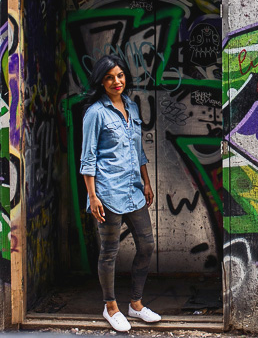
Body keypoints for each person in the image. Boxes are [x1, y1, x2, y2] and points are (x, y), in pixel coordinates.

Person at [79, 55, 162, 331]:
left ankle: (135, 305)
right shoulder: (95, 113)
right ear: (101, 82)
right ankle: (111, 307)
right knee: (110, 252)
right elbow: (88, 158)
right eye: (110, 77)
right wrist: (92, 196)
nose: (117, 82)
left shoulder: (131, 107)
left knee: (147, 245)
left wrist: (146, 182)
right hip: (107, 195)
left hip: (134, 192)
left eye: (120, 76)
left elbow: (138, 151)